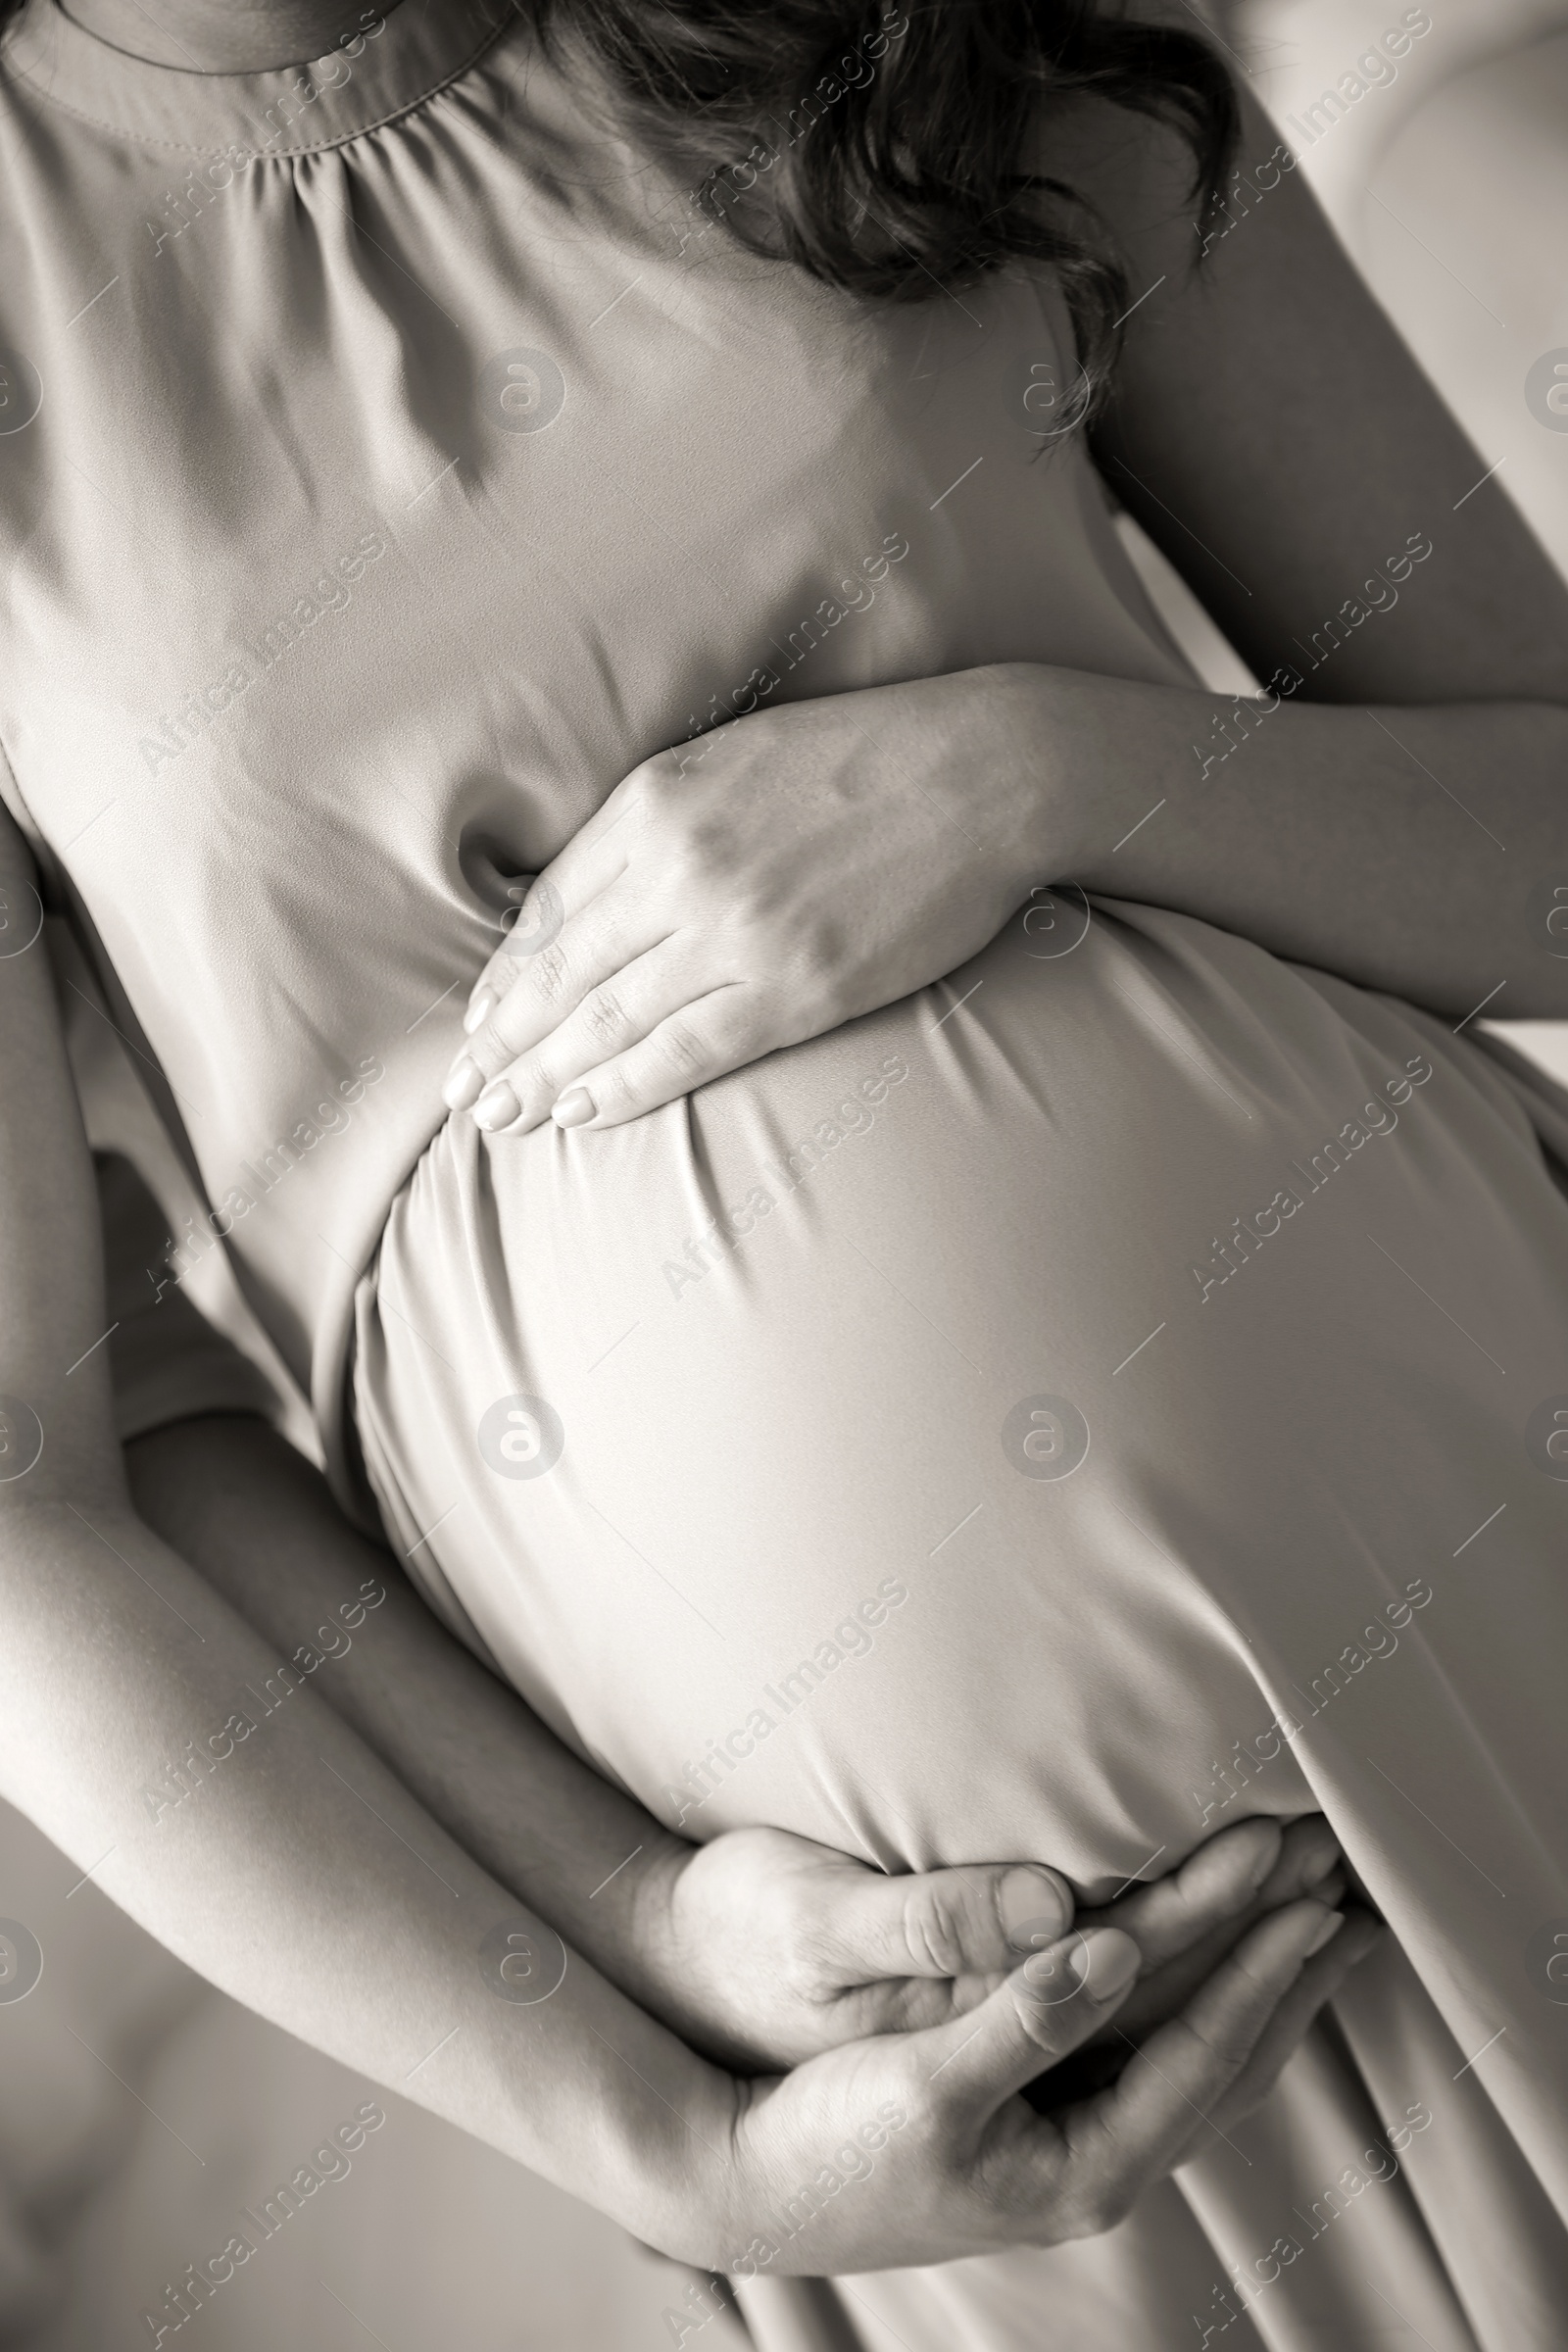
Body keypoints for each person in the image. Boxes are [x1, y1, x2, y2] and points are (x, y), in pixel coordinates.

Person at [1, 0, 1566, 2342]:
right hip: (960, 2055)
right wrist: (662, 2066)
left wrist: (1045, 776)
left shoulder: (921, 21)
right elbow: (44, 1486)